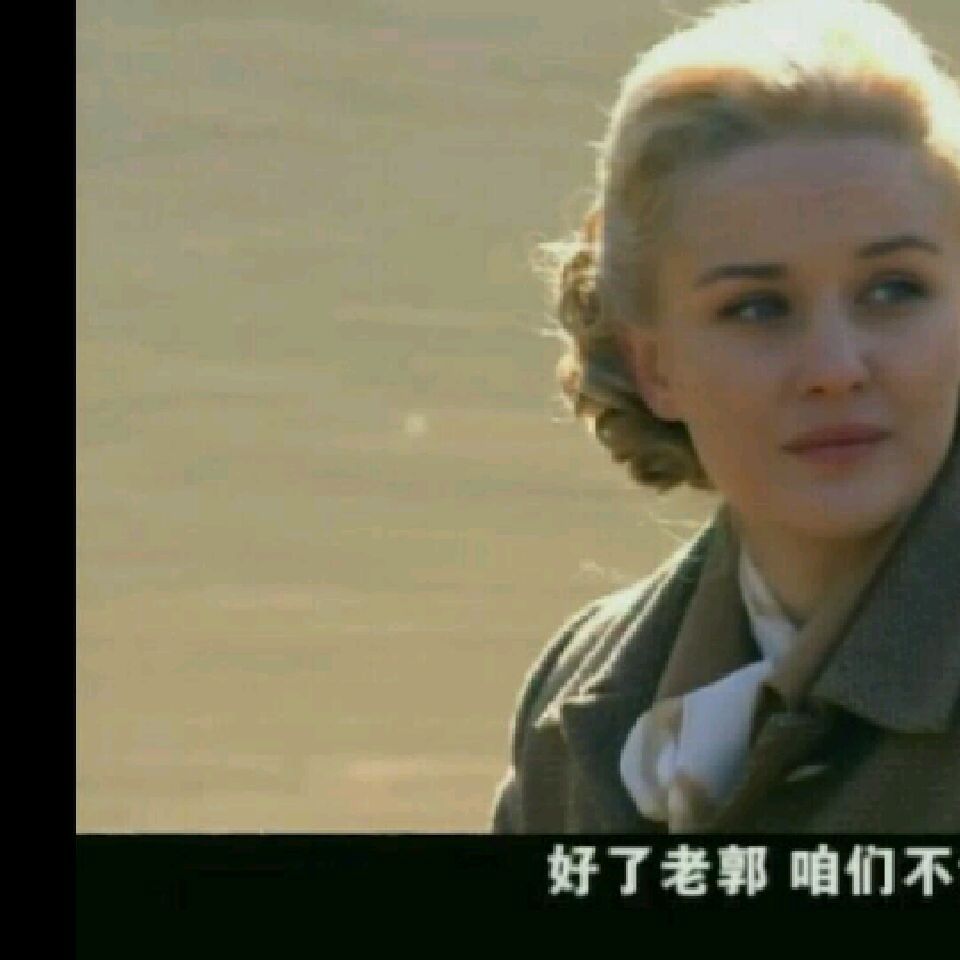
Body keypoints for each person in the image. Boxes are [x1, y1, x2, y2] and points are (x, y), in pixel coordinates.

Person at [492, 0, 960, 833]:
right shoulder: (583, 699)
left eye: (894, 291)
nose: (835, 369)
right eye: (757, 307)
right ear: (655, 365)